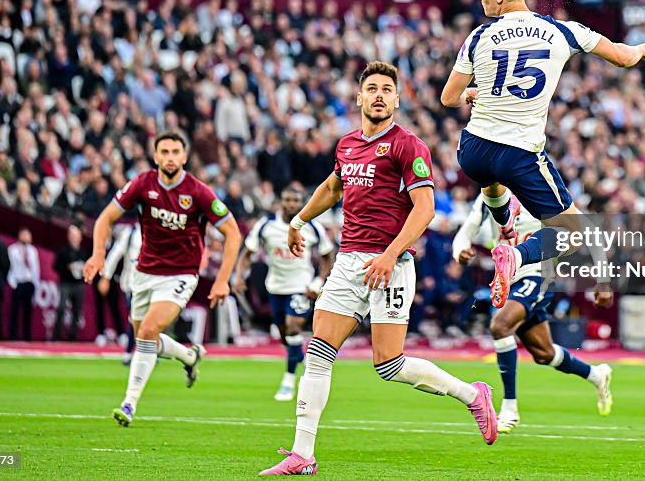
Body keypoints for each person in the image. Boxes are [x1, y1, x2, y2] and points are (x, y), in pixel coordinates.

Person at [261, 61, 498, 476]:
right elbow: (333, 188)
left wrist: (389, 254)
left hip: (392, 264)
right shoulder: (347, 144)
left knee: (389, 365)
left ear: (397, 99)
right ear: (358, 97)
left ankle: (471, 394)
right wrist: (298, 221)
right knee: (317, 352)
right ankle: (303, 454)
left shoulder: (408, 146)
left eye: (387, 89)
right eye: (371, 88)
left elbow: (424, 209)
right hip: (348, 261)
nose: (378, 95)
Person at [440, 0, 645, 307]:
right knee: (571, 235)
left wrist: (472, 94)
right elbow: (621, 58)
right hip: (520, 154)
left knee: (491, 182)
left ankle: (505, 227)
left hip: (474, 150)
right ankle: (516, 255)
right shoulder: (562, 30)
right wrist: (638, 50)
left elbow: (448, 98)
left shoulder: (477, 37)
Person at [84, 131, 242, 427]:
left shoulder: (198, 192)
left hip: (180, 274)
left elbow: (233, 232)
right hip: (143, 273)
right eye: (164, 152)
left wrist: (222, 280)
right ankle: (188, 355)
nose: (170, 157)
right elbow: (105, 218)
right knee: (147, 337)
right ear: (156, 156)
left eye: (175, 152)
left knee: (147, 331)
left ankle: (129, 403)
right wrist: (98, 256)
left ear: (184, 156)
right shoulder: (143, 184)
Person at [454, 194, 613, 433]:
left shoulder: (539, 185)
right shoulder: (487, 194)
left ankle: (509, 409)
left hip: (537, 274)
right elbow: (466, 231)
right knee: (544, 353)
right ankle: (596, 375)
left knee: (500, 326)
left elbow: (589, 230)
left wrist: (603, 281)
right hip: (507, 279)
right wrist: (460, 251)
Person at [234, 184, 334, 402]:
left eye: (296, 201)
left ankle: (288, 381)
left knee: (293, 326)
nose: (291, 204)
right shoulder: (266, 226)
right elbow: (247, 252)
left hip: (302, 286)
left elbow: (327, 255)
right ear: (281, 202)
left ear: (303, 203)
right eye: (287, 200)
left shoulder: (312, 226)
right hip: (276, 287)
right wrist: (239, 276)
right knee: (285, 336)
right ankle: (300, 357)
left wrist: (318, 281)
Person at [100, 222, 141, 365]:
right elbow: (115, 253)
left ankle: (145, 352)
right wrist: (106, 277)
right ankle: (130, 351)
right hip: (131, 283)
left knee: (147, 319)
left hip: (151, 283)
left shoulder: (158, 231)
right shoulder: (130, 233)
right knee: (135, 317)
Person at [53, 225, 89, 341]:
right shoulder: (63, 250)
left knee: (77, 311)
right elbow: (56, 266)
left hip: (79, 284)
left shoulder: (83, 252)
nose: (74, 238)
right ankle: (57, 336)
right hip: (66, 283)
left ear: (80, 237)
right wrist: (67, 267)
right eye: (72, 236)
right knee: (61, 308)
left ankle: (73, 336)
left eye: (76, 236)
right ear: (69, 237)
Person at [7, 227, 40, 341]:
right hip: (18, 283)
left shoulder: (32, 251)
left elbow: (36, 269)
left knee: (28, 311)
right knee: (15, 311)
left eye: (28, 235)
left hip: (29, 283)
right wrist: (13, 283)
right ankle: (13, 335)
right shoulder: (12, 249)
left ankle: (27, 336)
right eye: (24, 235)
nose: (26, 237)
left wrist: (36, 284)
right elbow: (9, 267)